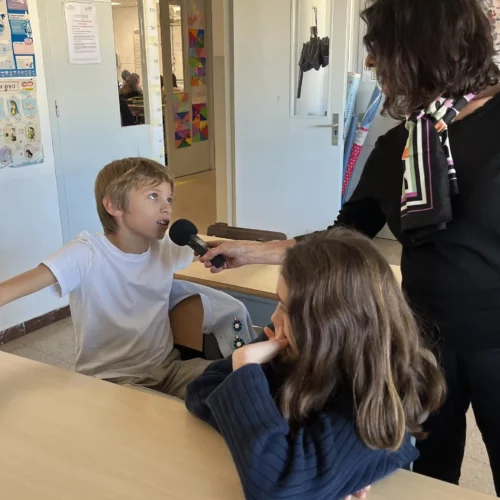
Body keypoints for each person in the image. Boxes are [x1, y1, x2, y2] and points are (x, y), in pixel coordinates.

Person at [200, 0, 500, 493]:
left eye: (379, 49)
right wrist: (249, 252)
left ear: (422, 47)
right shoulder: (398, 147)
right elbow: (344, 238)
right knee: (428, 475)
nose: (370, 62)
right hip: (423, 342)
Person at [187, 230, 446, 499]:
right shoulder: (299, 346)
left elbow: (275, 489)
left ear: (329, 326)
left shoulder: (378, 396)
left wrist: (245, 371)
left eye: (285, 308)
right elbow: (201, 390)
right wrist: (286, 448)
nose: (274, 317)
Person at [0, 158, 256, 399]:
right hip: (112, 379)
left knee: (244, 382)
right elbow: (10, 289)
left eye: (169, 198)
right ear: (114, 206)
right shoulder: (86, 253)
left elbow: (217, 249)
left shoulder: (165, 248)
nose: (166, 207)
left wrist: (249, 252)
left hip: (168, 368)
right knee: (165, 421)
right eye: (153, 196)